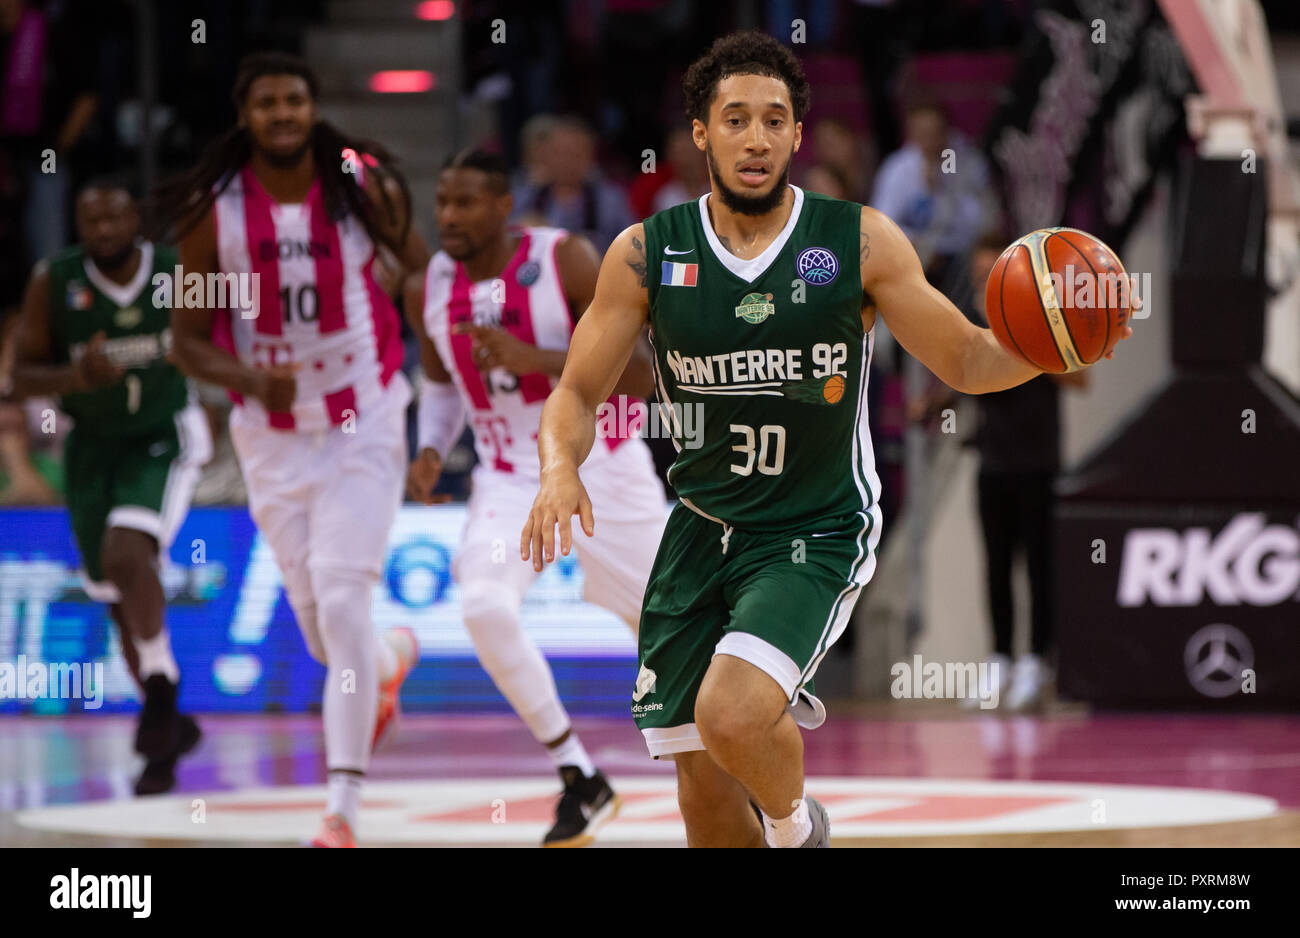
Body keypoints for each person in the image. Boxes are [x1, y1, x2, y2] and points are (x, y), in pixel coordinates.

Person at [521, 30, 1133, 848]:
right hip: (698, 530)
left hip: (813, 527)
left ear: (797, 136)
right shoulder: (646, 253)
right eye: (735, 119)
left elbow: (963, 356)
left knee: (732, 712)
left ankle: (795, 828)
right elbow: (575, 392)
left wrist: (1052, 343)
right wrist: (560, 467)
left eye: (774, 119)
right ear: (700, 132)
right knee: (701, 792)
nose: (756, 137)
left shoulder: (860, 241)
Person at [153, 52, 427, 847]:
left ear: (312, 108)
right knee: (324, 635)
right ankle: (389, 658)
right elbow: (184, 342)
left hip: (363, 419)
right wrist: (242, 373)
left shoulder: (359, 184)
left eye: (295, 100)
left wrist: (434, 313)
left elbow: (416, 274)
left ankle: (341, 809)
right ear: (246, 115)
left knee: (342, 604)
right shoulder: (214, 210)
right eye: (267, 102)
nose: (282, 114)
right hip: (270, 438)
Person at [406, 148, 666, 847]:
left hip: (601, 464)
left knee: (672, 638)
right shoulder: (427, 286)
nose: (449, 217)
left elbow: (641, 373)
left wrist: (540, 361)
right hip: (509, 475)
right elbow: (438, 387)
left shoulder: (568, 260)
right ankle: (579, 776)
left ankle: (749, 789)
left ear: (501, 206)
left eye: (465, 203)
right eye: (441, 204)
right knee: (484, 604)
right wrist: (431, 449)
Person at [10, 178, 210, 795]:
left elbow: (220, 344)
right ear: (79, 225)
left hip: (162, 434)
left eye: (114, 220)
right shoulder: (55, 279)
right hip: (92, 447)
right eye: (91, 222)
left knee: (129, 554)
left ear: (136, 222)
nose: (103, 232)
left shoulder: (179, 272)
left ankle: (160, 696)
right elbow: (20, 376)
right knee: (117, 593)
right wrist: (75, 374)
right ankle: (166, 725)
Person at [511, 115, 634, 253]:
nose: (566, 161)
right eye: (559, 153)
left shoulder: (610, 201)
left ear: (590, 157)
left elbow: (633, 249)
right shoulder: (525, 198)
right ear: (545, 156)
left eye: (574, 154)